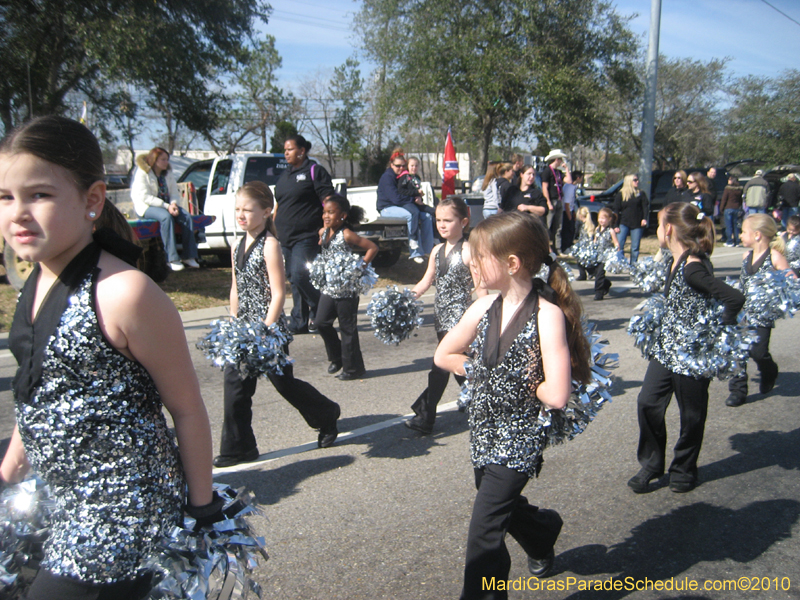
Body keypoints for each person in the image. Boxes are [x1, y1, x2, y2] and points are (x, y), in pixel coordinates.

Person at [0, 116, 217, 598]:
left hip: (123, 512)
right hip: (63, 501)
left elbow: (186, 407)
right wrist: (9, 470)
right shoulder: (35, 284)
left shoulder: (125, 293)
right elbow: (38, 391)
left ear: (92, 200)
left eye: (39, 195)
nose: (17, 213)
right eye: (4, 197)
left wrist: (202, 511)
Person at [434, 211, 592, 597]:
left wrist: (517, 379)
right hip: (484, 432)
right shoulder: (484, 308)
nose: (471, 262)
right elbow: (444, 355)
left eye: (479, 256)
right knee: (503, 509)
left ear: (512, 263)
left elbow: (556, 394)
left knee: (484, 534)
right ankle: (541, 532)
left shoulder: (547, 315)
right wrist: (476, 371)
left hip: (518, 437)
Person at [215, 181, 341, 467]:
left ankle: (326, 415)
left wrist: (264, 330)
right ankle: (239, 448)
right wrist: (234, 325)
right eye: (238, 209)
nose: (241, 214)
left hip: (268, 331)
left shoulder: (270, 245)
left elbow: (278, 293)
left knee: (285, 385)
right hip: (244, 331)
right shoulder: (237, 244)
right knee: (234, 386)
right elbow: (236, 289)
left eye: (248, 209)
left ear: (267, 211)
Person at [628, 203, 745, 495]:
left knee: (691, 414)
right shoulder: (675, 260)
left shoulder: (693, 267)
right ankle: (653, 464)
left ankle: (684, 468)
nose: (656, 231)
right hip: (667, 349)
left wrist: (721, 329)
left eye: (658, 225)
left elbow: (734, 298)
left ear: (668, 230)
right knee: (648, 402)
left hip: (692, 354)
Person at [406, 197, 481, 434]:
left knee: (439, 364)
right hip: (440, 318)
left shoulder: (469, 250)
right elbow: (426, 281)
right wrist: (407, 297)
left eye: (448, 220)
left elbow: (481, 289)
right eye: (438, 220)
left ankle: (425, 415)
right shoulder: (437, 251)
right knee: (456, 366)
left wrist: (485, 319)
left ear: (464, 221)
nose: (442, 225)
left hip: (461, 319)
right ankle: (481, 401)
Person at [725, 214, 790, 407]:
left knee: (758, 352)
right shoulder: (746, 256)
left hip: (763, 315)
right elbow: (743, 283)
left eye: (744, 231)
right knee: (737, 350)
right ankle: (738, 390)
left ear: (758, 235)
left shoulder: (774, 257)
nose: (741, 235)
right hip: (743, 312)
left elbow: (791, 282)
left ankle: (769, 370)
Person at [274, 134, 333, 334]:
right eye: (285, 150)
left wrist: (327, 225)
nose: (286, 153)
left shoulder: (314, 171)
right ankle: (299, 322)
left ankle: (323, 312)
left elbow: (328, 200)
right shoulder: (286, 175)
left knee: (300, 275)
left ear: (301, 151)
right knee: (292, 277)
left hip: (307, 234)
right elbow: (279, 204)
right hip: (285, 236)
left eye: (290, 149)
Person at [315, 195, 378, 381]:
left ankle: (353, 369)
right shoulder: (323, 232)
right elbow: (324, 249)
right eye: (324, 212)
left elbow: (372, 248)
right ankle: (336, 358)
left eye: (331, 212)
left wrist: (359, 268)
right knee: (321, 323)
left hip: (347, 288)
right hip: (329, 288)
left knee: (347, 328)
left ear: (342, 216)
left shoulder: (347, 234)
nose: (326, 216)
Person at [131, 146, 200, 271]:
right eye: (163, 159)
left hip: (168, 206)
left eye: (167, 159)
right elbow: (145, 197)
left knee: (187, 217)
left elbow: (174, 192)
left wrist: (173, 204)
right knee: (166, 218)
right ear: (154, 160)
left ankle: (189, 256)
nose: (166, 162)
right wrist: (167, 206)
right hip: (147, 207)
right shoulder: (143, 173)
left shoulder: (167, 174)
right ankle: (172, 259)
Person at [377, 150, 435, 264]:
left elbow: (407, 192)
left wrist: (418, 197)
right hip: (387, 208)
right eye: (398, 166)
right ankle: (415, 252)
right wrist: (414, 199)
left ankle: (428, 250)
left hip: (401, 205)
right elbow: (396, 199)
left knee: (427, 216)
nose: (401, 168)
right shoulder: (387, 177)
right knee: (410, 215)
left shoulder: (403, 176)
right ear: (391, 165)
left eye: (403, 166)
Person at [540, 149, 572, 253]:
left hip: (559, 200)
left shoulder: (558, 172)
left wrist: (566, 169)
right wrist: (548, 202)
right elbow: (544, 187)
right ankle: (546, 247)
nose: (561, 162)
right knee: (548, 225)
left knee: (559, 226)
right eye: (560, 160)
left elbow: (569, 180)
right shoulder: (547, 171)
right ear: (556, 160)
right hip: (551, 200)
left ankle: (557, 249)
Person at [612, 174, 649, 264]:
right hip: (623, 222)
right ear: (629, 181)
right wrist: (615, 225)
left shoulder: (641, 193)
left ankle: (633, 264)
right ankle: (620, 263)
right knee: (619, 244)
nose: (637, 182)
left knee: (635, 246)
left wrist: (644, 219)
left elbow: (645, 207)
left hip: (637, 224)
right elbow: (616, 210)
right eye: (635, 180)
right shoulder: (621, 194)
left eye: (637, 180)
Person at [593, 206, 620, 301]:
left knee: (599, 274)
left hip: (605, 256)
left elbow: (616, 243)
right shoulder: (597, 229)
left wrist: (617, 252)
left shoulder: (610, 231)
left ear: (609, 219)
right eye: (599, 218)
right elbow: (595, 241)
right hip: (597, 255)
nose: (601, 220)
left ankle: (598, 292)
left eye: (603, 218)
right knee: (595, 273)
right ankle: (606, 283)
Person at [573, 205, 596, 281]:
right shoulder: (591, 224)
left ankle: (584, 274)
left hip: (585, 247)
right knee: (583, 262)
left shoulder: (583, 225)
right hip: (584, 246)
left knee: (581, 262)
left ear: (580, 215)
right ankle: (590, 272)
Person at [719, 174, 744, 246]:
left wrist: (721, 208)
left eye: (729, 179)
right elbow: (740, 200)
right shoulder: (739, 189)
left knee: (728, 226)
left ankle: (730, 241)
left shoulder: (728, 189)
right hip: (736, 208)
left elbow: (724, 199)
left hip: (728, 208)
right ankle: (737, 241)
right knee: (735, 225)